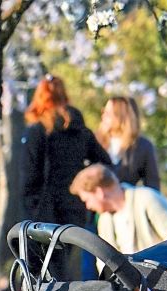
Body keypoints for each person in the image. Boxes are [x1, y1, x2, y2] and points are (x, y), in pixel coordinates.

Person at [20, 76, 111, 227]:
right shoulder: (81, 132)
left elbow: (28, 177)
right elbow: (105, 163)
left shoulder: (37, 132)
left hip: (44, 212)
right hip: (76, 209)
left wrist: (29, 213)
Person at [69, 164, 167, 254]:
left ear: (99, 192)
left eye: (87, 200)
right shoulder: (104, 221)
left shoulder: (147, 199)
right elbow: (105, 265)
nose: (88, 206)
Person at [97, 96, 160, 189]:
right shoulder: (94, 142)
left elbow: (153, 186)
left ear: (122, 116)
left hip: (126, 201)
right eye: (104, 111)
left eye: (108, 113)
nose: (103, 116)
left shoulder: (143, 146)